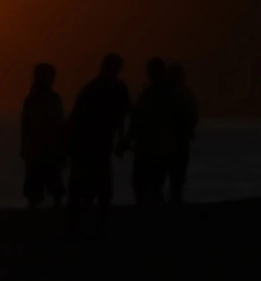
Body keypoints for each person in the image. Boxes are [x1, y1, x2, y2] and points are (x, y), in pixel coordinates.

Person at [66, 53, 131, 236]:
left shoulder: (94, 88)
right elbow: (124, 115)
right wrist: (122, 139)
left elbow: (76, 116)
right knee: (94, 188)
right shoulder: (113, 88)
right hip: (94, 143)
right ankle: (92, 225)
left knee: (85, 188)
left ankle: (81, 226)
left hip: (91, 143)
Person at [122, 58, 176, 207]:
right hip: (160, 146)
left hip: (150, 146)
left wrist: (127, 140)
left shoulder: (153, 93)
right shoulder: (168, 93)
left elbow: (139, 120)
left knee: (143, 183)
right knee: (154, 183)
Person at [20, 63, 65, 210]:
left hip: (43, 147)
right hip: (42, 147)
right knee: (44, 182)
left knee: (44, 182)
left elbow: (26, 125)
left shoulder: (36, 99)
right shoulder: (47, 99)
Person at [167, 64, 199, 204]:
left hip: (171, 140)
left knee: (174, 177)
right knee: (177, 177)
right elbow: (194, 115)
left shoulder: (167, 93)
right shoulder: (185, 94)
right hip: (177, 140)